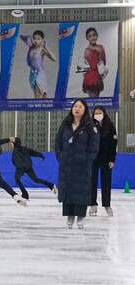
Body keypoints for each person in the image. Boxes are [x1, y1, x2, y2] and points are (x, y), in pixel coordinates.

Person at [55, 99, 99, 229]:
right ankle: (70, 215)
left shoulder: (90, 126)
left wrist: (87, 160)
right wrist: (61, 157)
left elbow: (94, 146)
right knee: (68, 189)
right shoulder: (65, 124)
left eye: (80, 107)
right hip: (67, 165)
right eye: (75, 106)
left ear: (85, 109)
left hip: (82, 166)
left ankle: (80, 216)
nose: (77, 109)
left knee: (81, 190)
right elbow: (58, 143)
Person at [90, 105, 117, 217]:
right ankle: (92, 204)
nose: (98, 115)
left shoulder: (109, 126)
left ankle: (107, 205)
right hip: (93, 158)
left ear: (104, 113)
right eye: (96, 113)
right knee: (92, 181)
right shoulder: (90, 125)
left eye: (99, 113)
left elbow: (113, 143)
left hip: (106, 158)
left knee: (106, 182)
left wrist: (112, 159)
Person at [20, 31, 57, 99]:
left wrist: (46, 47)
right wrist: (30, 38)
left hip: (40, 74)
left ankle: (45, 109)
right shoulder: (31, 48)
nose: (36, 41)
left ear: (42, 40)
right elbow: (21, 36)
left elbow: (54, 59)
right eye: (34, 38)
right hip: (32, 73)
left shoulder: (42, 50)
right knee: (36, 95)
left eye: (38, 39)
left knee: (42, 95)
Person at [81, 28, 107, 98]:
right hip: (90, 78)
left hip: (98, 77)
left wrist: (100, 54)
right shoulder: (87, 50)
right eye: (90, 36)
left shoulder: (101, 47)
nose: (92, 37)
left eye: (94, 35)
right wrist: (98, 54)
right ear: (87, 38)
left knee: (96, 100)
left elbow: (104, 62)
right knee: (93, 100)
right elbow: (93, 66)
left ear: (97, 35)